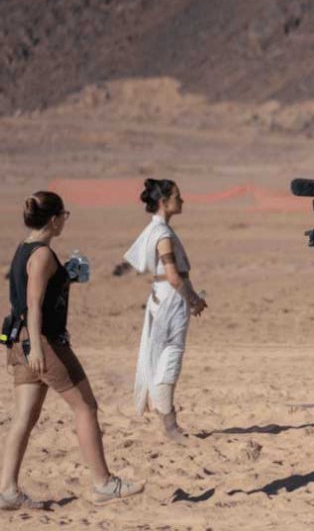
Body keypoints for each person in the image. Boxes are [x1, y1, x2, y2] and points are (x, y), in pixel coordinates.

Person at [0, 191, 144, 511]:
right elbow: (34, 303)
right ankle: (104, 483)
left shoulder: (24, 249)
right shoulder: (43, 255)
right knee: (86, 407)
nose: (66, 220)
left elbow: (35, 297)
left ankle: (6, 491)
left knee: (24, 416)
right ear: (53, 219)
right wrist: (37, 346)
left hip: (19, 340)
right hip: (43, 343)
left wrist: (68, 277)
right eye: (65, 215)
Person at [124, 179, 207, 441]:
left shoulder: (158, 230)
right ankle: (169, 424)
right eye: (177, 197)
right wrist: (193, 299)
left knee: (166, 354)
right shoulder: (163, 235)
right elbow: (173, 276)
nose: (182, 201)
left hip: (165, 298)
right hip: (171, 299)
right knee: (170, 355)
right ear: (163, 202)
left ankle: (167, 419)